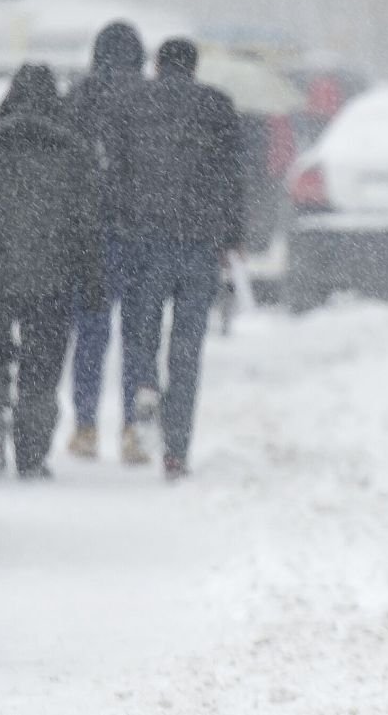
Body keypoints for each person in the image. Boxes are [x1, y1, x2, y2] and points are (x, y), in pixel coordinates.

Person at [0, 64, 104, 479]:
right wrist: (92, 279)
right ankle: (31, 454)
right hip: (53, 275)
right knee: (42, 366)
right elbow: (86, 224)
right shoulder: (74, 152)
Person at [112, 38, 244, 479]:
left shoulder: (131, 103)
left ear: (156, 64)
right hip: (201, 243)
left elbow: (117, 172)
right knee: (187, 348)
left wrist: (121, 223)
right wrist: (232, 236)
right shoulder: (218, 106)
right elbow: (233, 177)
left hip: (145, 238)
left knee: (142, 330)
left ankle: (145, 383)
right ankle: (176, 451)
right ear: (194, 66)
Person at [63, 21, 147, 463]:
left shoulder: (80, 96)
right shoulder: (149, 99)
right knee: (137, 335)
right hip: (140, 234)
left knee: (92, 332)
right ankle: (133, 428)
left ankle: (85, 426)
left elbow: (67, 166)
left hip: (92, 235)